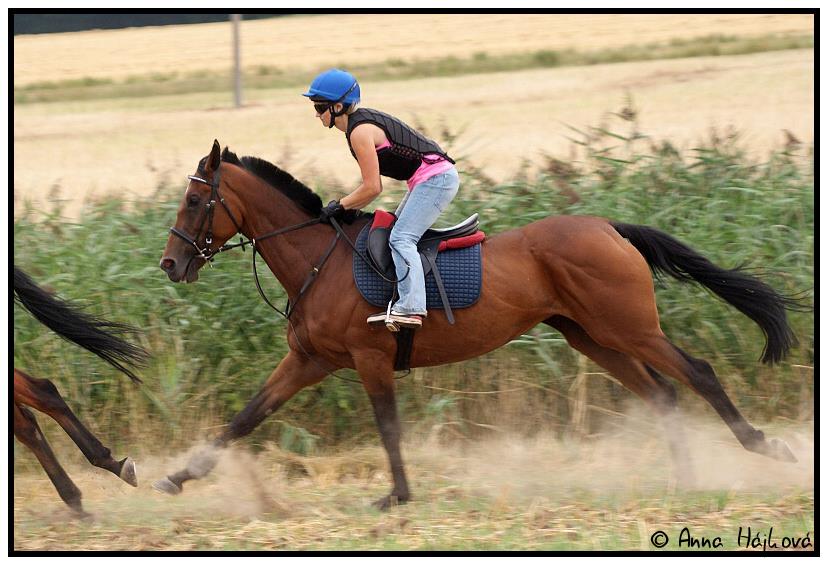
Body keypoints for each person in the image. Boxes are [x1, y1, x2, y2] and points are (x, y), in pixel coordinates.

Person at [304, 68, 460, 330]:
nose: (317, 114)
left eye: (320, 107)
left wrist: (339, 205)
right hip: (428, 180)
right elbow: (370, 189)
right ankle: (402, 296)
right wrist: (347, 208)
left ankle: (411, 308)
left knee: (401, 238)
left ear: (338, 107)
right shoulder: (357, 127)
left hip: (437, 180)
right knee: (395, 235)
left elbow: (372, 187)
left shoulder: (359, 132)